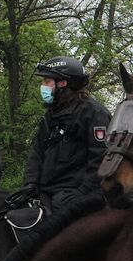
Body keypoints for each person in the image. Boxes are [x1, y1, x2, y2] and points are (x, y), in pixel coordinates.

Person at [21, 56, 111, 210]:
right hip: (46, 192)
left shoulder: (93, 113)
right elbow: (37, 152)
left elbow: (101, 157)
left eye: (47, 81)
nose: (43, 86)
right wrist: (30, 183)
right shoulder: (51, 115)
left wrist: (82, 192)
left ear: (63, 83)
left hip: (75, 194)